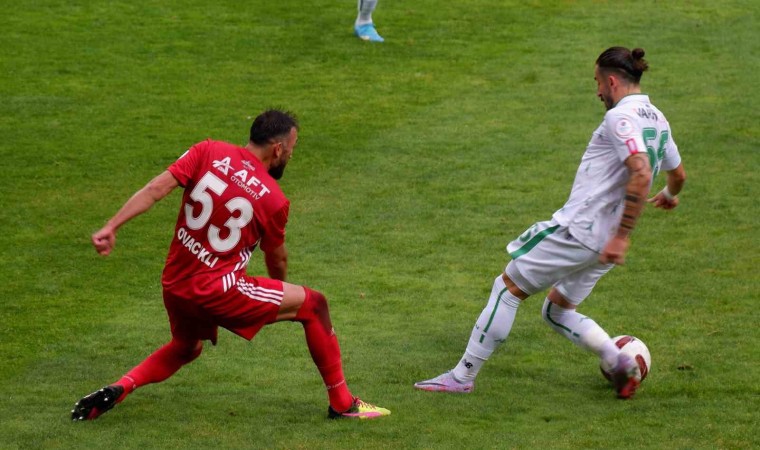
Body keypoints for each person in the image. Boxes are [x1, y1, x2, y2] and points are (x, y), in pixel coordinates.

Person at [72, 110, 390, 420]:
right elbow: (276, 258)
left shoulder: (207, 151)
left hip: (176, 284)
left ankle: (120, 387)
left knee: (186, 348)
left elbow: (156, 189)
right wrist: (281, 291)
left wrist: (111, 226)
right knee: (314, 305)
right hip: (220, 291)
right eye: (292, 149)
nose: (291, 155)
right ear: (278, 148)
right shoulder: (273, 199)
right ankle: (342, 404)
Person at [414, 47, 687, 400]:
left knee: (507, 288)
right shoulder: (659, 119)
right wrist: (669, 194)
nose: (597, 91)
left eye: (597, 82)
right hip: (604, 243)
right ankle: (619, 361)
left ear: (612, 81)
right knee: (557, 310)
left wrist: (623, 236)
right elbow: (678, 174)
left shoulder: (619, 118)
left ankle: (461, 376)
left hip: (582, 231)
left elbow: (641, 171)